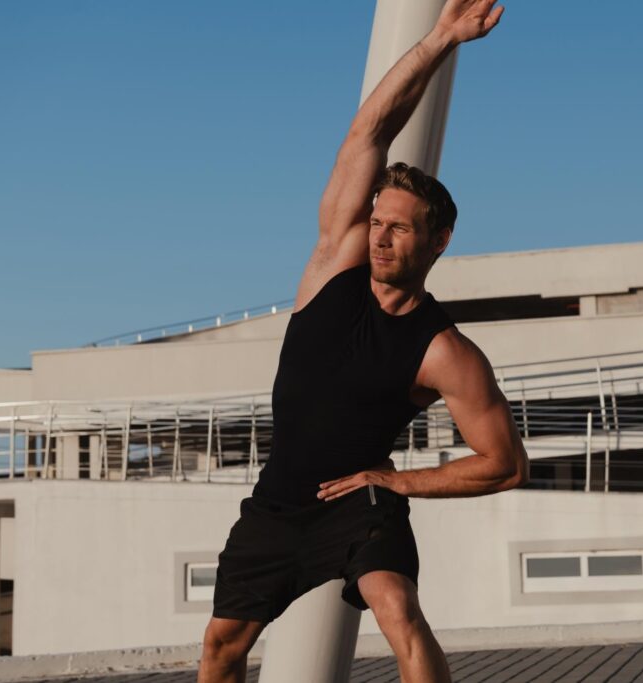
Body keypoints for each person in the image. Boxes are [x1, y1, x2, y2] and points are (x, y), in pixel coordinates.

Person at [197, 2, 527, 682]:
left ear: (438, 240)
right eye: (378, 222)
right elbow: (370, 129)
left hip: (360, 503)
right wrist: (441, 38)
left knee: (397, 609)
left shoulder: (444, 351)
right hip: (277, 500)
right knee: (221, 647)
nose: (379, 237)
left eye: (399, 228)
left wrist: (397, 481)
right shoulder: (334, 266)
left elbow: (504, 463)